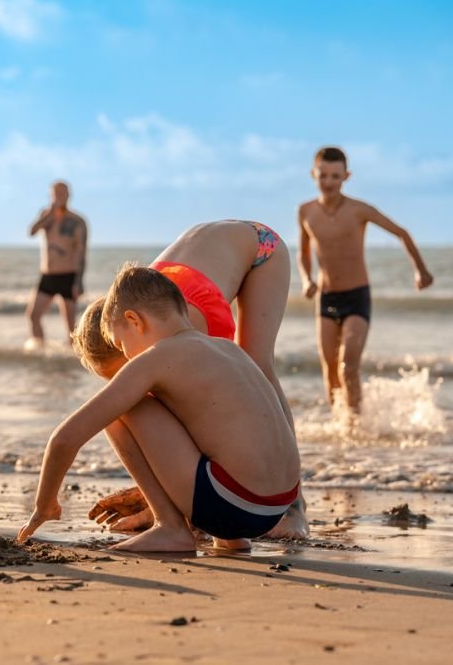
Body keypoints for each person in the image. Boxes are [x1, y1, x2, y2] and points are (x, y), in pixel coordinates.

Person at [17, 266, 301, 552]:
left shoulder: (155, 358)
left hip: (234, 507)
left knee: (120, 408)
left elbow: (66, 437)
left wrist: (44, 505)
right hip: (278, 507)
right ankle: (230, 539)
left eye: (119, 343)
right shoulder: (229, 350)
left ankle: (170, 527)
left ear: (134, 321)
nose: (125, 355)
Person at [76, 220, 309, 539]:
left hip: (261, 250)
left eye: (128, 365)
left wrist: (186, 511)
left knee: (257, 363)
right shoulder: (143, 315)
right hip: (213, 251)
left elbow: (204, 420)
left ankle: (295, 508)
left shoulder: (184, 327)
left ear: (133, 326)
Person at [298, 147, 434, 413]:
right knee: (330, 370)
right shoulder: (305, 212)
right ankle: (340, 424)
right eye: (322, 175)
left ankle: (356, 423)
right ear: (313, 174)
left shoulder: (359, 210)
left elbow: (402, 233)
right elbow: (303, 254)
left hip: (357, 296)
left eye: (335, 176)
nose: (328, 182)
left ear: (346, 176)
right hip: (326, 297)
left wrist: (421, 270)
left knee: (348, 364)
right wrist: (306, 280)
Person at [26, 181, 88, 347]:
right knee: (33, 315)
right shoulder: (46, 216)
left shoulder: (77, 221)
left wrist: (79, 281)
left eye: (63, 193)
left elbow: (82, 252)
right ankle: (40, 353)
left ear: (68, 195)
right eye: (56, 193)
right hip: (48, 275)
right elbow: (31, 232)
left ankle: (71, 358)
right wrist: (48, 215)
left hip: (68, 275)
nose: (59, 197)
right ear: (51, 196)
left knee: (70, 325)